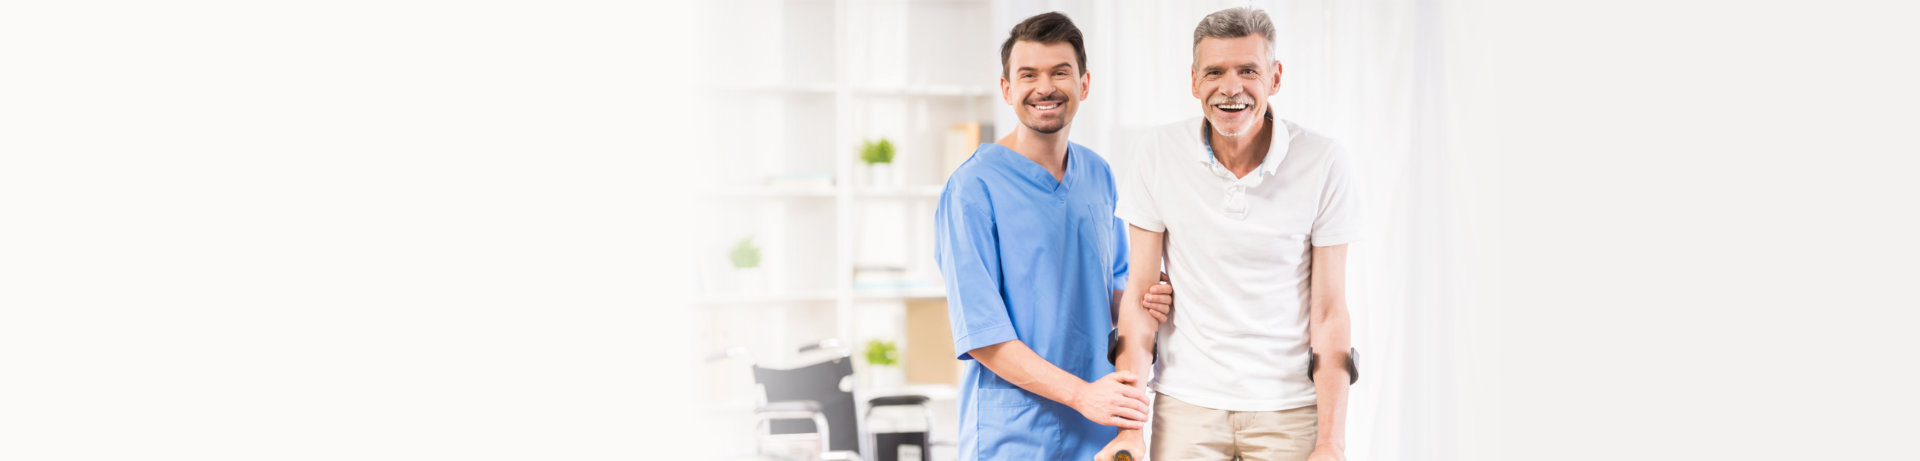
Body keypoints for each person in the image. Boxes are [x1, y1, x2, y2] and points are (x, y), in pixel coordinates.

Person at [1096, 7, 1362, 461]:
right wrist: (1128, 432)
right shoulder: (1156, 152)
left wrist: (1331, 444)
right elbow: (1140, 303)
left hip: (1289, 407)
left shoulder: (1323, 161)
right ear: (1195, 81)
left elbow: (1330, 312)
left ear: (1275, 77)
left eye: (1248, 70)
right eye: (1215, 71)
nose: (1231, 87)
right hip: (1187, 404)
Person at [935, 11, 1177, 461]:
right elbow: (983, 335)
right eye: (1028, 75)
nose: (1044, 87)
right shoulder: (972, 189)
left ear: (1084, 84)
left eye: (1059, 72)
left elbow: (1114, 290)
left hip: (1099, 432)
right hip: (1015, 436)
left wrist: (1149, 298)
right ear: (1007, 90)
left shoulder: (1098, 175)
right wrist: (1083, 396)